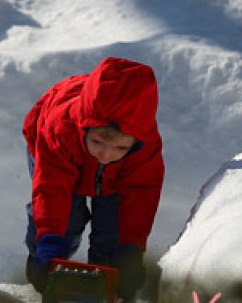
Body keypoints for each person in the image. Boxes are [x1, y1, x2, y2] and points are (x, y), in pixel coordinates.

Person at [22, 57, 165, 301]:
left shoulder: (145, 149)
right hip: (59, 158)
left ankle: (105, 286)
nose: (106, 154)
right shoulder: (61, 130)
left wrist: (131, 249)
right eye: (98, 142)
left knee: (114, 232)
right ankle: (44, 264)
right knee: (65, 221)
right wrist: (48, 239)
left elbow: (140, 198)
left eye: (119, 147)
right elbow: (51, 190)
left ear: (136, 142)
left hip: (116, 179)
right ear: (85, 127)